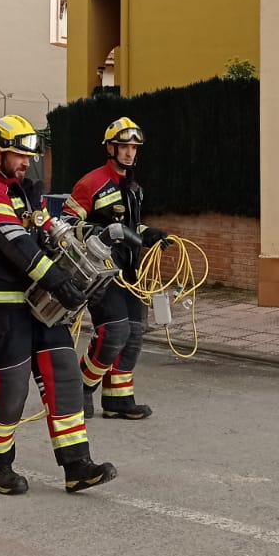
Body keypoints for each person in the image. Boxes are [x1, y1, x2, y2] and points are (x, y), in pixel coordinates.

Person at [0, 114, 117, 496]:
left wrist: (86, 275)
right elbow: (18, 245)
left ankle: (77, 466)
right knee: (10, 386)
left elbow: (56, 233)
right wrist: (59, 281)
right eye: (17, 155)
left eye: (26, 156)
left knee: (65, 375)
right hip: (5, 308)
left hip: (43, 306)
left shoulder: (27, 193)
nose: (24, 162)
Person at [66, 117, 168, 421]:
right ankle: (82, 387)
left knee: (135, 333)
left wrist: (148, 233)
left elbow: (131, 226)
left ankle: (118, 399)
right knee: (114, 332)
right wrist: (106, 232)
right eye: (124, 146)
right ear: (110, 148)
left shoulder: (134, 187)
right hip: (101, 272)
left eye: (134, 148)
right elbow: (68, 224)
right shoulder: (91, 183)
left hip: (130, 272)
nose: (129, 153)